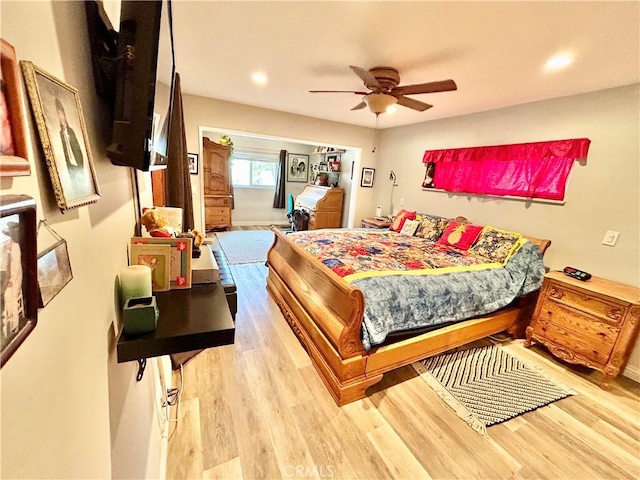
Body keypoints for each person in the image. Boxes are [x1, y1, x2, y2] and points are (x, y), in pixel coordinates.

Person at [1, 221, 23, 345]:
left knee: (9, 297)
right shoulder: (9, 247)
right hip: (13, 278)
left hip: (14, 280)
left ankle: (13, 325)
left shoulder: (15, 247)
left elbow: (15, 267)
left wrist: (11, 280)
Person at [55, 98, 85, 187]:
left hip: (77, 161)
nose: (60, 117)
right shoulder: (60, 133)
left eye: (61, 114)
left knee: (80, 183)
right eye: (58, 114)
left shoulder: (70, 131)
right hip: (69, 164)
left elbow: (77, 148)